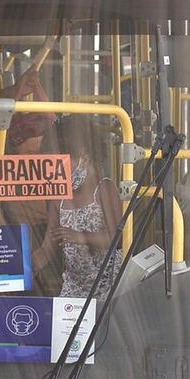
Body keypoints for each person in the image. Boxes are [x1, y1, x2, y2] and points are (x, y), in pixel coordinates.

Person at [32, 116, 123, 298]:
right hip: (74, 289)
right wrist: (19, 269)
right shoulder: (59, 199)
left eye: (62, 166)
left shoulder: (104, 189)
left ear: (84, 158)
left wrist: (80, 237)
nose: (57, 173)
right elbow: (46, 249)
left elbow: (118, 239)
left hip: (109, 289)